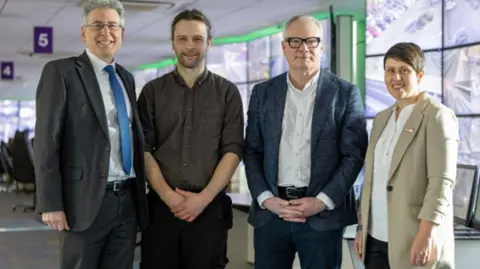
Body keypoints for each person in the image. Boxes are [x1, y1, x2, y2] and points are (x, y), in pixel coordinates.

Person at [243, 15, 368, 269]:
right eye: (295, 41)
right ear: (284, 47)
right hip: (272, 215)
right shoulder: (263, 93)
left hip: (322, 216)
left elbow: (353, 155)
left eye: (312, 41)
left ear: (322, 47)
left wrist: (321, 201)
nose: (303, 48)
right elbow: (252, 151)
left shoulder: (345, 93)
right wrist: (266, 199)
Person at [34, 0, 148, 268]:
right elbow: (46, 141)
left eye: (112, 25)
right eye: (97, 25)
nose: (105, 32)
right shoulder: (61, 72)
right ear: (83, 32)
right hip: (84, 200)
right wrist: (50, 202)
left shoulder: (126, 78)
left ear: (122, 33)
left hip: (127, 199)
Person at [136, 9, 244, 269]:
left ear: (208, 43)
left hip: (209, 210)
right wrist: (169, 197)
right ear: (173, 43)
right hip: (161, 210)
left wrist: (203, 199)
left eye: (197, 39)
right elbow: (144, 149)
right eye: (182, 39)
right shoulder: (152, 92)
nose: (189, 46)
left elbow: (233, 150)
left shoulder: (227, 93)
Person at [354, 42, 459, 269]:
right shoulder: (382, 118)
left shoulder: (437, 116)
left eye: (404, 70)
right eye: (390, 70)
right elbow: (371, 179)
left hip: (414, 238)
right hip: (376, 238)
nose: (396, 77)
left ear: (419, 75)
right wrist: (362, 227)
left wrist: (426, 233)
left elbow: (442, 182)